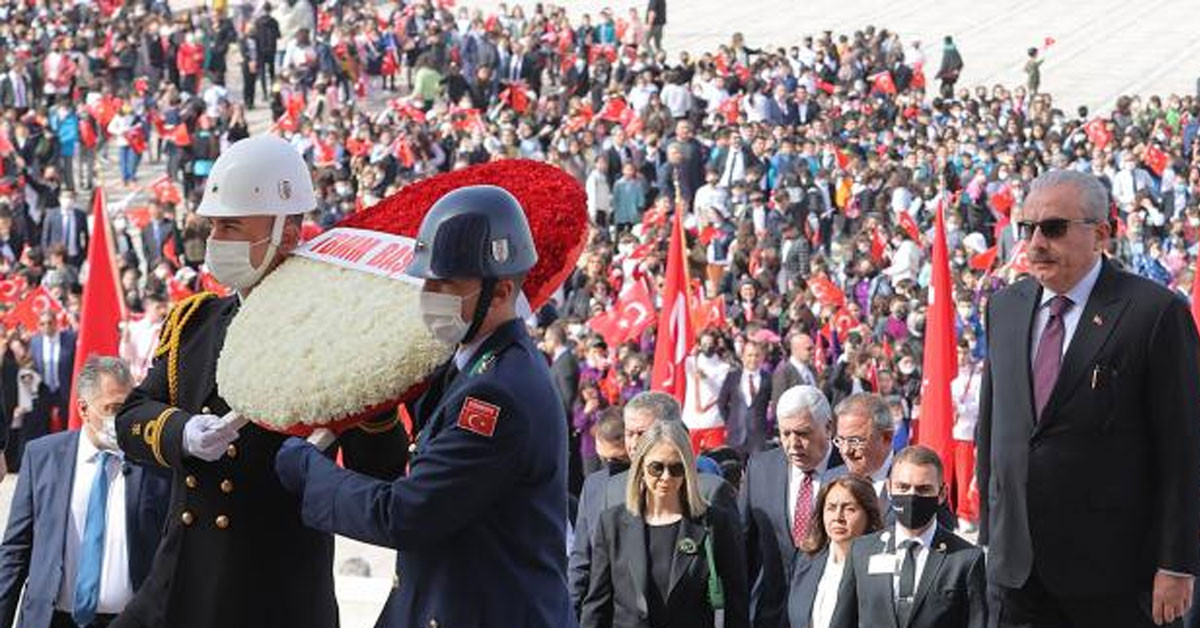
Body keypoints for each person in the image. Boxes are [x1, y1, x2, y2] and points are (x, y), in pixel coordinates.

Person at [113, 136, 409, 628]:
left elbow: (377, 468)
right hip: (179, 586)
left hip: (273, 594)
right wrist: (182, 431)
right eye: (214, 226)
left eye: (232, 226)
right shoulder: (194, 322)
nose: (216, 239)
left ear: (287, 231)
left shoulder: (332, 332)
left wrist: (373, 390)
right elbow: (131, 419)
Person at [275, 185, 572, 627]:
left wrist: (310, 474)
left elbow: (407, 514)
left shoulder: (496, 396)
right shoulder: (472, 364)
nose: (429, 294)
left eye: (446, 283)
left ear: (500, 291)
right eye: (427, 280)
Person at [978, 169, 1200, 627]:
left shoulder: (1154, 313)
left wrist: (1177, 563)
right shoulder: (1004, 307)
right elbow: (994, 426)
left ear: (1100, 233)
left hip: (1116, 574)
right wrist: (990, 537)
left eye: (1054, 228)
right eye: (1028, 228)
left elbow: (1184, 450)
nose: (1036, 242)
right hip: (1017, 574)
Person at [0, 357, 170, 628]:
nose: (121, 418)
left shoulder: (154, 465)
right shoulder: (43, 457)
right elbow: (16, 550)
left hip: (129, 620)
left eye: (127, 408)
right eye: (111, 408)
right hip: (53, 619)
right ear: (83, 409)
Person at [571, 392, 738, 615]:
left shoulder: (711, 491)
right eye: (629, 433)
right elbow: (583, 566)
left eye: (642, 433)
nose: (633, 443)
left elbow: (732, 583)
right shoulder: (603, 488)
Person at [829, 446, 986, 628]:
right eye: (903, 487)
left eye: (923, 489)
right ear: (889, 488)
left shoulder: (966, 558)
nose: (912, 496)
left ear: (941, 493)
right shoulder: (861, 551)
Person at [740, 385, 846, 628]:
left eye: (803, 433)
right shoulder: (761, 468)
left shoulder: (849, 473)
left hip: (825, 613)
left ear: (829, 427)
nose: (792, 444)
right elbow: (744, 543)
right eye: (785, 433)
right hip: (769, 612)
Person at [788, 475, 883, 628]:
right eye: (831, 508)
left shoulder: (879, 568)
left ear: (868, 515)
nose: (838, 517)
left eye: (849, 509)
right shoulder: (806, 559)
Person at [718, 339, 772, 457]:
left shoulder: (768, 379)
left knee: (758, 470)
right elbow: (722, 403)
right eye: (749, 355)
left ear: (762, 357)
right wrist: (730, 422)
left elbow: (773, 404)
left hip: (759, 437)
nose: (753, 359)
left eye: (757, 355)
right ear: (742, 357)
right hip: (735, 435)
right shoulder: (733, 376)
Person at [30, 311, 76, 437]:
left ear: (56, 323)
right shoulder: (35, 342)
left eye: (50, 323)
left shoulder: (70, 339)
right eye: (42, 324)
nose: (46, 327)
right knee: (44, 425)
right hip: (44, 391)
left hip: (64, 390)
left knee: (66, 423)